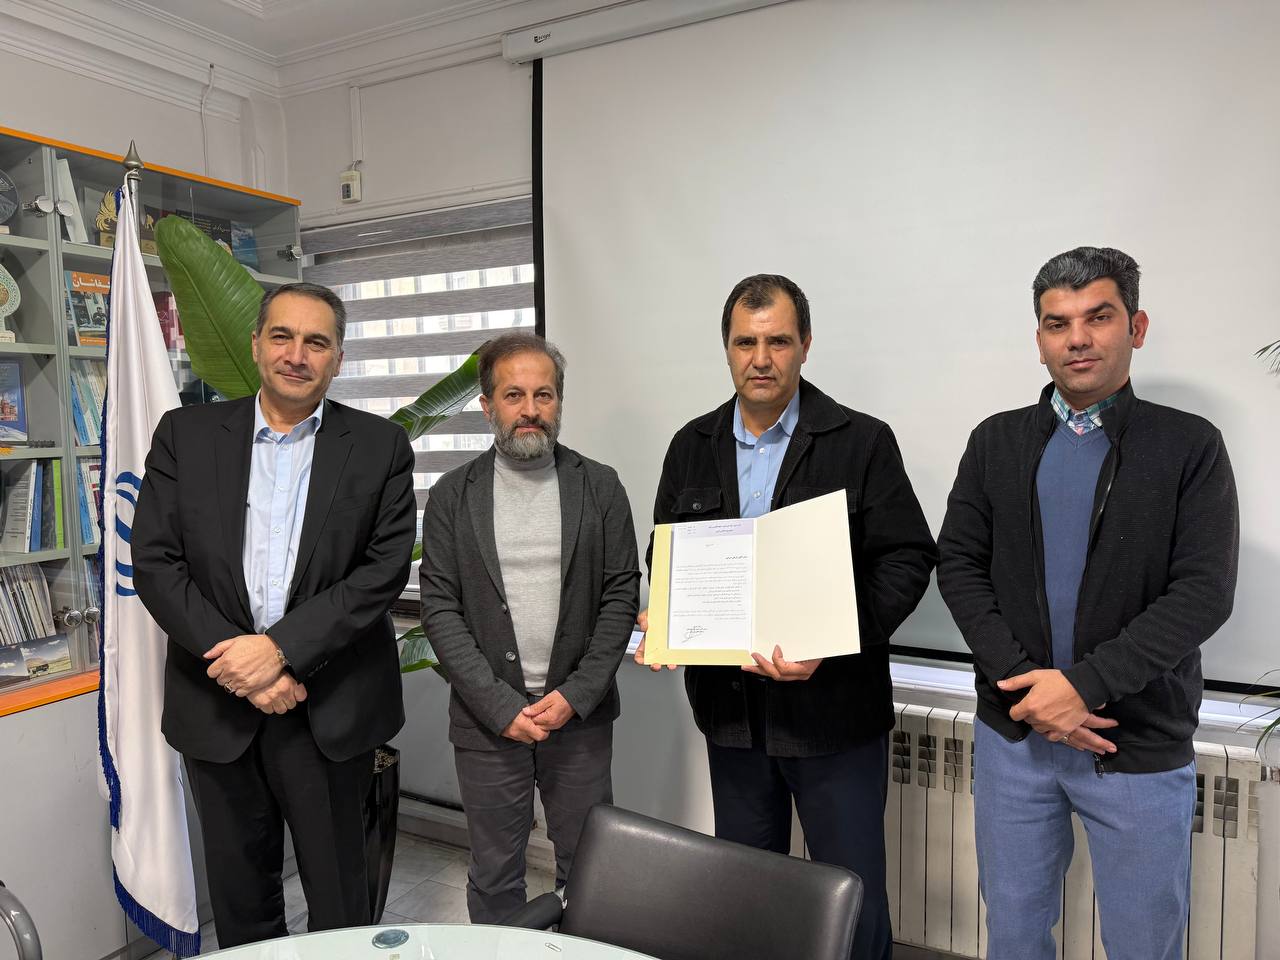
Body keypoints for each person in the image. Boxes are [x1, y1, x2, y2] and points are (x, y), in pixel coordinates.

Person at [936, 247, 1239, 960]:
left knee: (1144, 943)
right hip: (1015, 737)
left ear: (1136, 327)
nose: (1077, 338)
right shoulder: (995, 441)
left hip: (1134, 742)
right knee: (1014, 934)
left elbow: (1203, 593)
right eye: (1057, 323)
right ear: (1039, 339)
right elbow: (959, 566)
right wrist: (1030, 691)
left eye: (1098, 317)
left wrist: (1082, 688)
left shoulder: (1189, 446)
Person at [638, 274, 937, 960]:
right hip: (732, 717)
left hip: (835, 714)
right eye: (746, 343)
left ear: (805, 344)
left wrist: (833, 640)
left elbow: (908, 558)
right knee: (748, 894)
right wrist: (668, 607)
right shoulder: (691, 444)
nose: (761, 359)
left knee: (852, 897)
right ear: (727, 348)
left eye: (777, 341)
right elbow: (665, 549)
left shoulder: (862, 441)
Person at [132, 282, 416, 947]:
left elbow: (381, 573)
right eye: (282, 336)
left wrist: (280, 650)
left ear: (338, 358)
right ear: (256, 344)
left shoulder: (379, 446)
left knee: (340, 904)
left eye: (316, 342)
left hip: (329, 709)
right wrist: (245, 664)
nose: (297, 354)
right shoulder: (185, 436)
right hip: (217, 704)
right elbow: (155, 561)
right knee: (242, 906)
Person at [420, 331, 640, 923]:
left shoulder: (601, 486)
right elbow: (439, 608)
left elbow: (621, 595)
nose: (530, 409)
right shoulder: (451, 496)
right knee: (495, 874)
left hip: (579, 717)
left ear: (559, 401)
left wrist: (576, 694)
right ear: (487, 405)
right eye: (513, 395)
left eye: (544, 394)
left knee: (590, 870)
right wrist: (499, 706)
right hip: (488, 723)